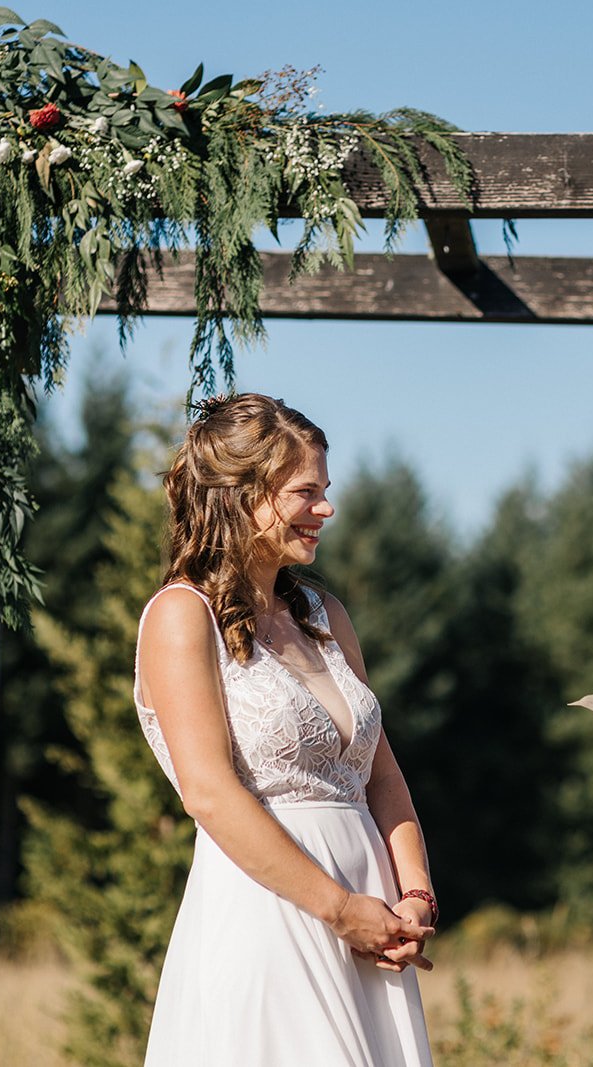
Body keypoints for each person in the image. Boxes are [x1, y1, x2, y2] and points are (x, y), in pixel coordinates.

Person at [133, 393, 437, 1065]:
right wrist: (338, 909)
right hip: (273, 913)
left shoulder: (325, 615)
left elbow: (381, 774)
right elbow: (208, 792)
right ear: (243, 495)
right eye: (307, 492)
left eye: (326, 491)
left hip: (373, 917)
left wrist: (413, 893)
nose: (326, 509)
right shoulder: (182, 616)